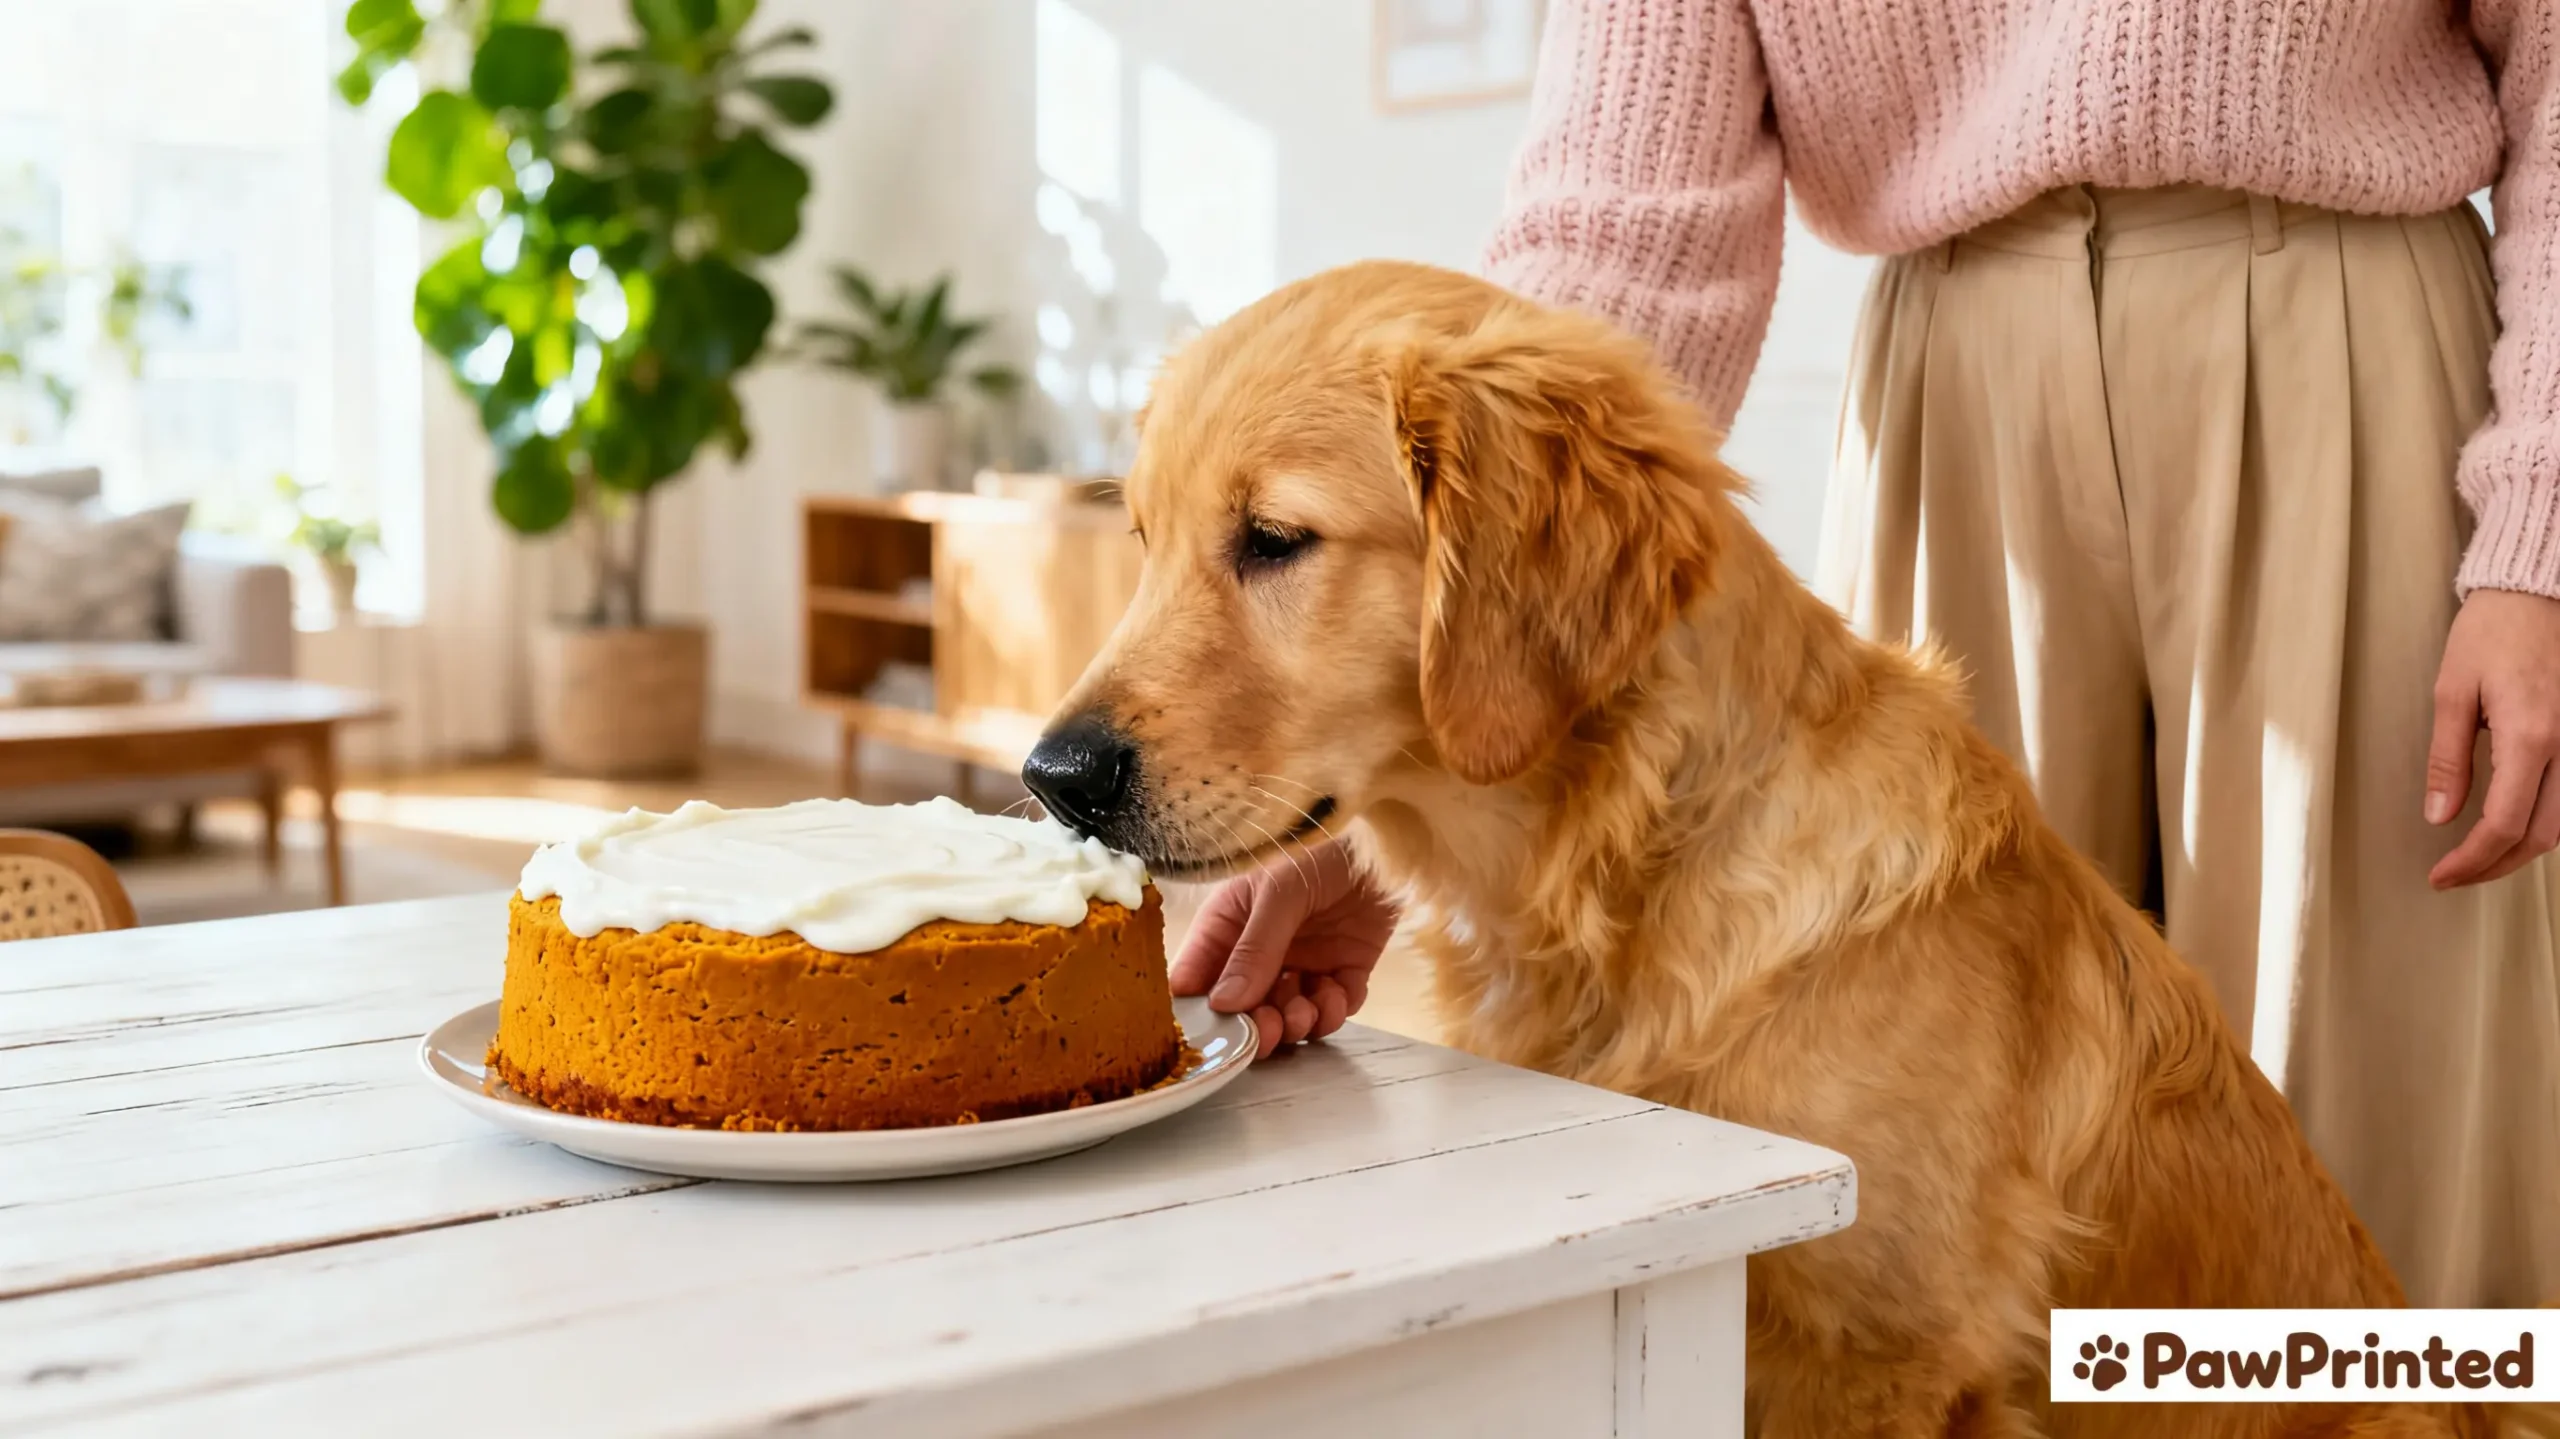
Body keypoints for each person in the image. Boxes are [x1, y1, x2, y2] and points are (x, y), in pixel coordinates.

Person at [1171, 1, 2560, 1309]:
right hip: (1952, 392)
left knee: (2388, 1150)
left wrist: (2542, 537)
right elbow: (1619, 240)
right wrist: (1366, 790)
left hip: (2353, 349)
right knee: (1934, 1234)